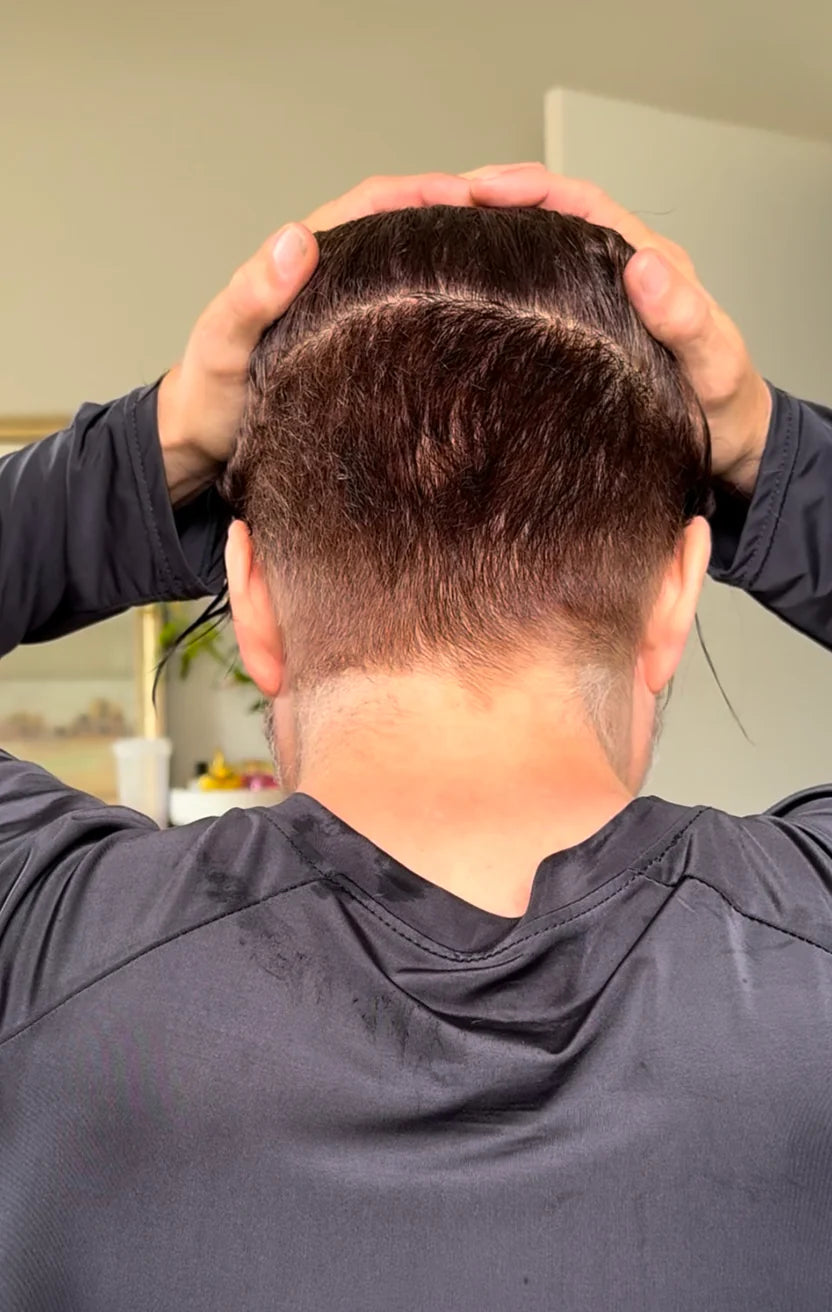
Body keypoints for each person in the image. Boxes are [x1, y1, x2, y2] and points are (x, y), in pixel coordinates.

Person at [1, 164, 831, 1312]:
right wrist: (762, 451)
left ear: (250, 600)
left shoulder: (43, 951)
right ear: (676, 596)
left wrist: (160, 448)